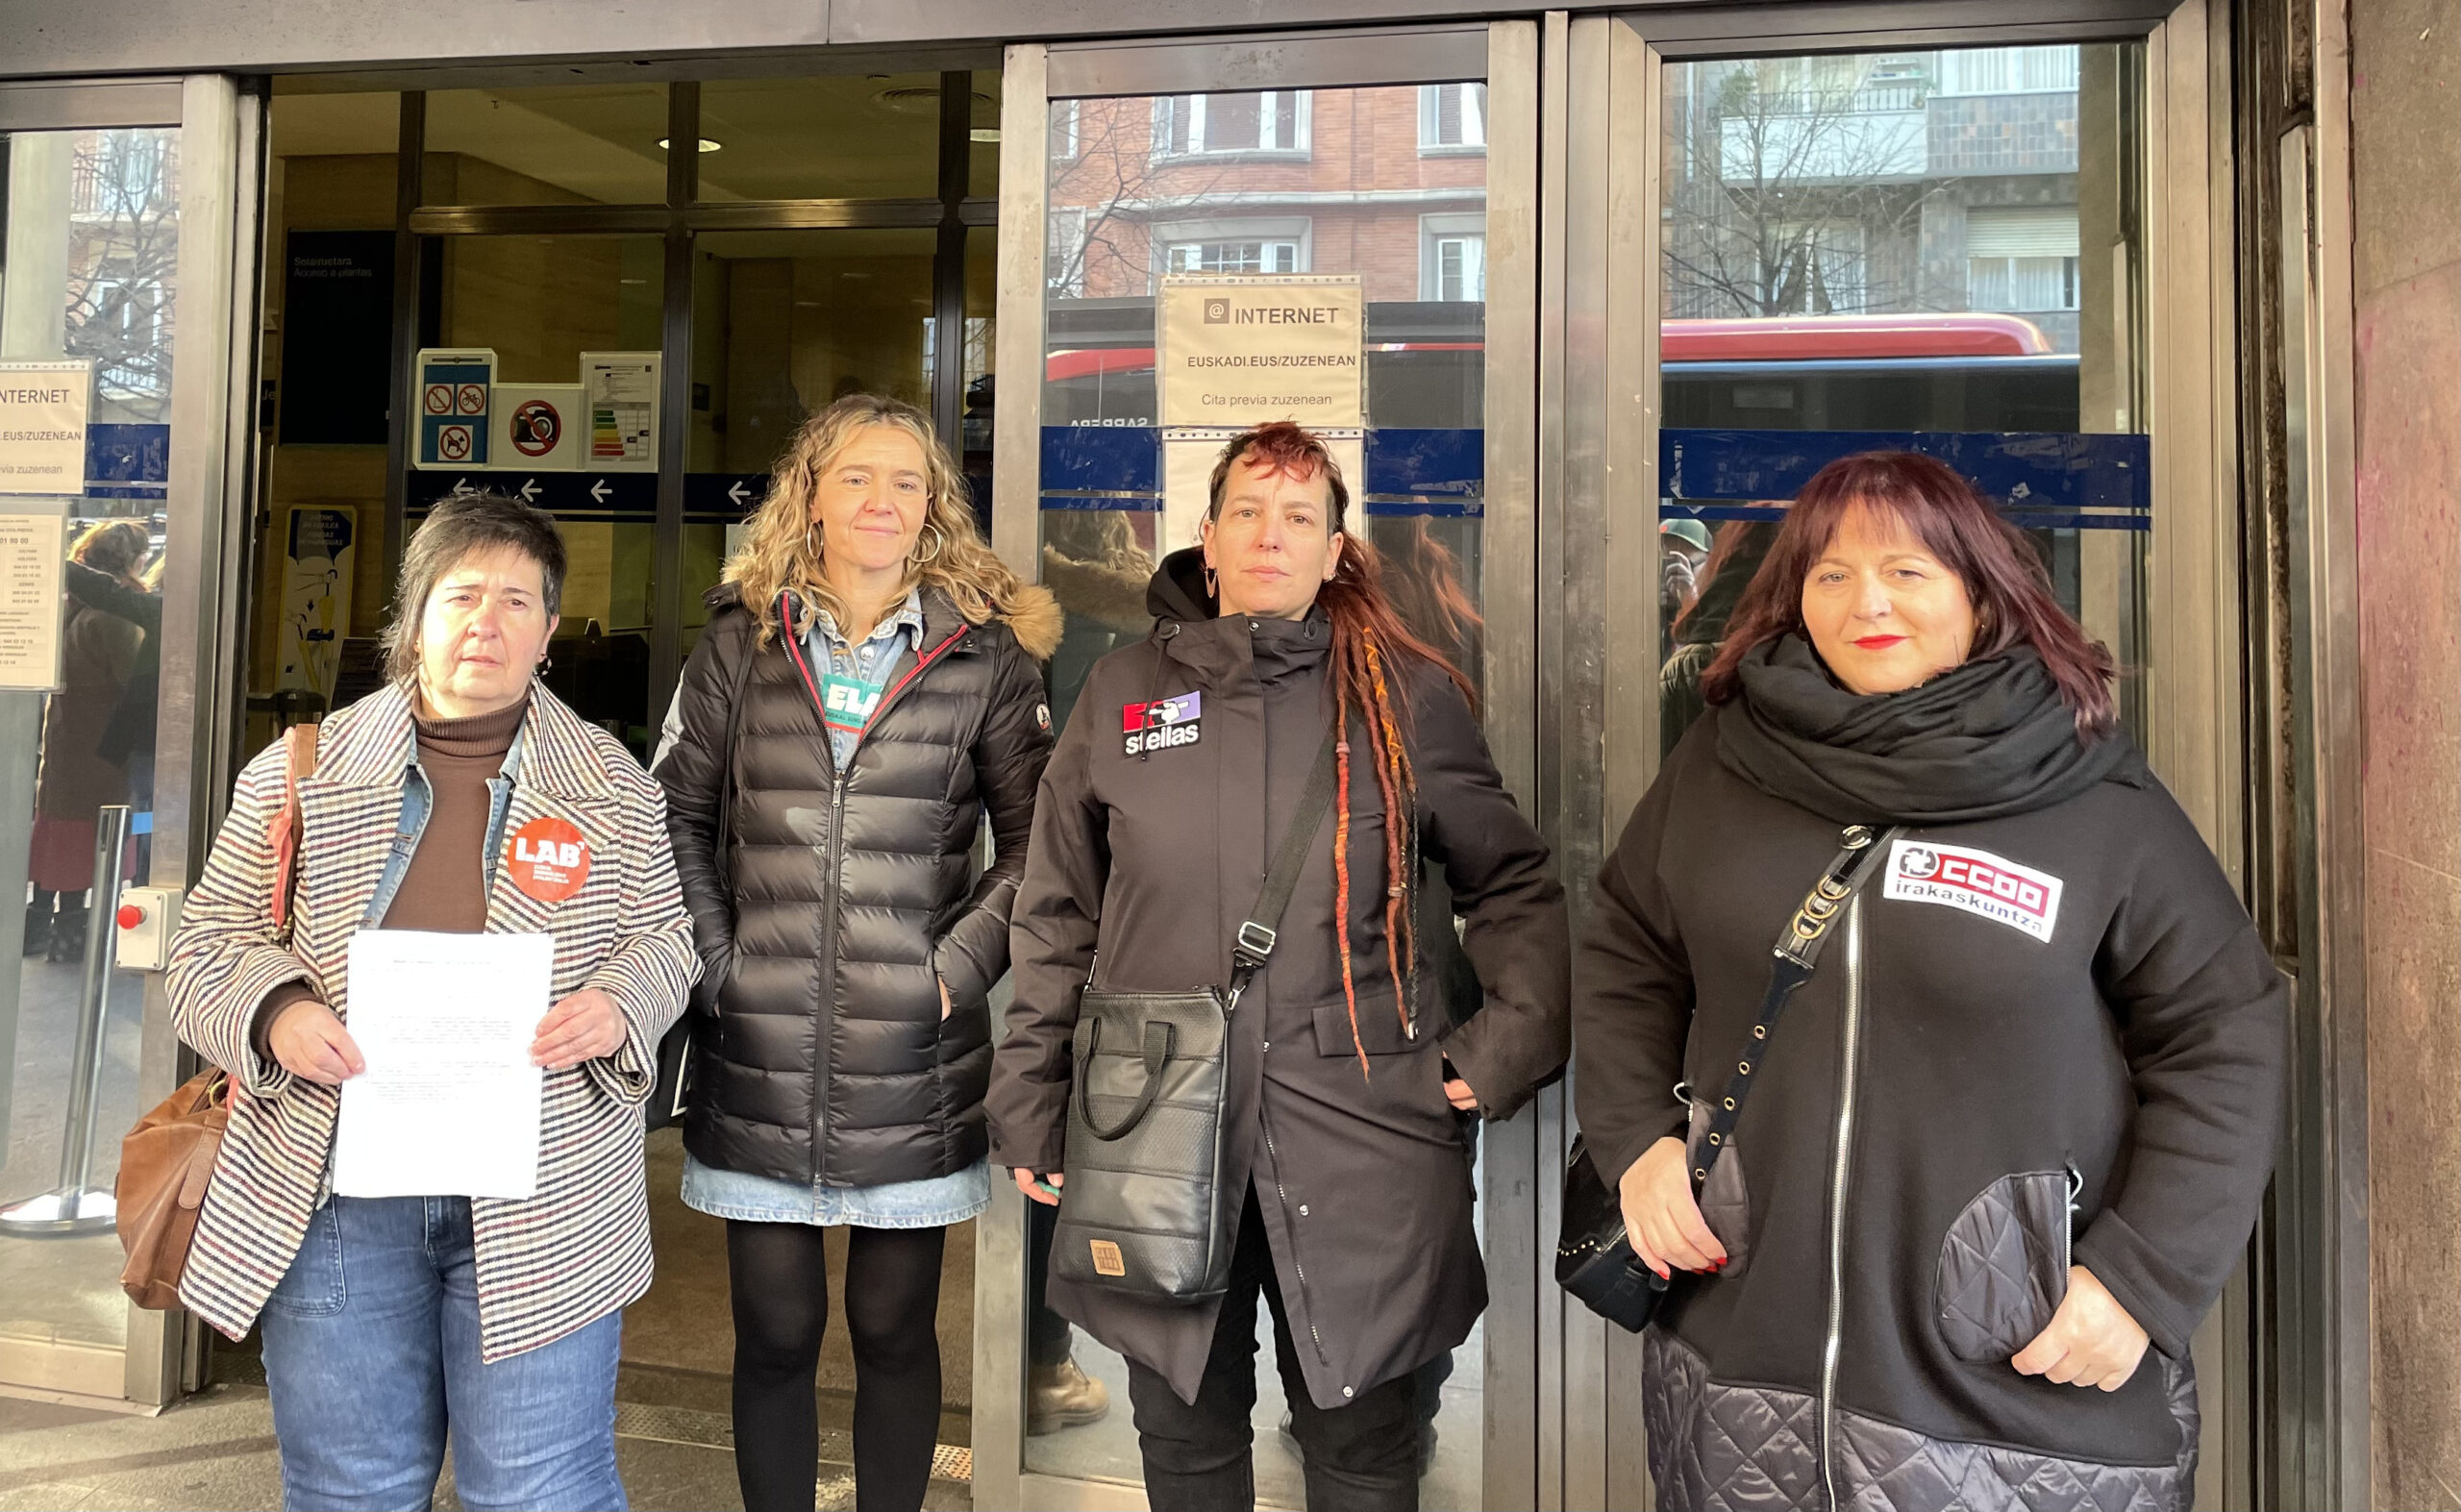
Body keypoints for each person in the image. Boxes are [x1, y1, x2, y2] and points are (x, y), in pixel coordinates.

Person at [1574, 452, 2288, 1510]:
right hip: (1745, 1359)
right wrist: (1637, 1143)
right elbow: (1626, 949)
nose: (1865, 601)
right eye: (1830, 574)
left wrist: (2144, 1277)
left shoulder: (2086, 789)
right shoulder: (1723, 765)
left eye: (1906, 571)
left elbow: (2224, 1029)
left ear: (1980, 592)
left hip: (2019, 1379)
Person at [992, 420, 1571, 1512]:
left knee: (1363, 1447)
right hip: (1157, 1123)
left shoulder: (1406, 696)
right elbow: (1057, 913)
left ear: (1334, 551)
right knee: (1183, 1434)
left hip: (1365, 1125)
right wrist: (1030, 1094)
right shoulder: (1120, 691)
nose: (1270, 534)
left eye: (1299, 516)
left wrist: (1500, 1047)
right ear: (1207, 539)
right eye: (1248, 511)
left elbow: (1512, 881)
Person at [166, 491, 699, 1511]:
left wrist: (620, 1003)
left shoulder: (614, 784)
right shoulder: (304, 769)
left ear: (549, 630)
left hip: (545, 1188)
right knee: (350, 1489)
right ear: (415, 617)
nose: (485, 623)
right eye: (461, 596)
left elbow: (666, 941)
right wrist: (277, 1011)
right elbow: (204, 945)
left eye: (515, 601)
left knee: (541, 1490)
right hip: (335, 1191)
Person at [655, 394, 1059, 1512]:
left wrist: (955, 970)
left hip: (913, 1052)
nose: (882, 500)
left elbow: (1040, 846)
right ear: (812, 497)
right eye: (856, 477)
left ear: (932, 506)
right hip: (758, 1039)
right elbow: (673, 816)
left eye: (905, 482)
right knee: (775, 1331)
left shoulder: (985, 654)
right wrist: (718, 963)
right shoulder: (739, 640)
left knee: (892, 1328)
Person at [28, 519, 150, 962]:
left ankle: (43, 926)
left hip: (67, 742)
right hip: (102, 751)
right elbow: (136, 682)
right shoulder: (113, 617)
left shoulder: (72, 608)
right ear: (130, 561)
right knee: (91, 842)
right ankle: (74, 936)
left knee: (63, 838)